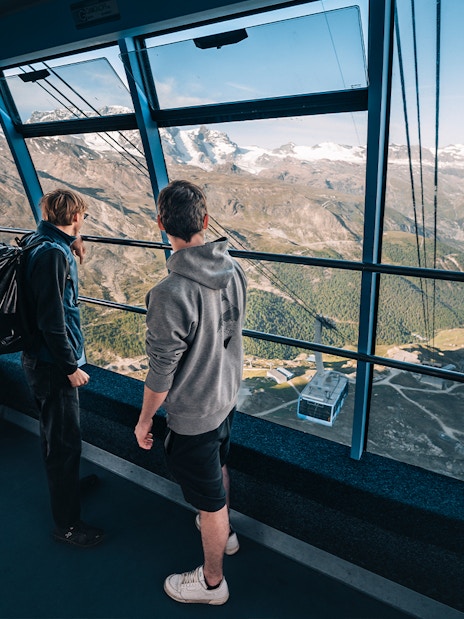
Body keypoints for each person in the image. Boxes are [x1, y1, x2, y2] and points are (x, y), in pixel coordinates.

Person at [135, 179, 247, 605]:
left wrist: (145, 419)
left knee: (209, 504)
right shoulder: (234, 269)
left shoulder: (169, 293)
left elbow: (162, 370)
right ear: (204, 220)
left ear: (161, 223)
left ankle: (212, 583)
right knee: (218, 469)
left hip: (195, 412)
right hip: (225, 397)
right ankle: (226, 535)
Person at [21, 187, 104, 548]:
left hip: (39, 359)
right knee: (64, 442)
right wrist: (70, 367)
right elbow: (52, 320)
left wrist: (72, 242)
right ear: (74, 217)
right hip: (53, 364)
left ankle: (67, 488)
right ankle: (67, 525)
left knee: (55, 435)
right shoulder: (53, 256)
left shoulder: (38, 240)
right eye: (82, 216)